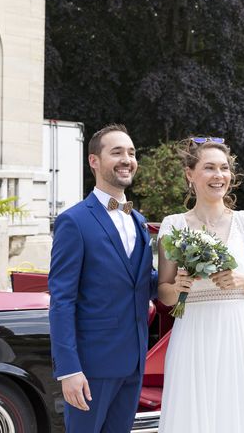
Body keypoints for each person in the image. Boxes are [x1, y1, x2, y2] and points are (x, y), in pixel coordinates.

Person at [157, 137, 244, 433]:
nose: (219, 175)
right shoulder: (173, 225)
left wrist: (241, 280)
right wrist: (178, 287)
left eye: (224, 168)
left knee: (239, 412)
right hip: (192, 331)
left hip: (236, 331)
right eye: (209, 168)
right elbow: (163, 294)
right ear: (190, 174)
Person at [48, 124, 158, 433]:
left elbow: (141, 284)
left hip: (134, 362)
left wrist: (179, 278)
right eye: (117, 152)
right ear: (94, 161)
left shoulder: (138, 220)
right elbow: (62, 300)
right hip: (91, 366)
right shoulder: (75, 221)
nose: (127, 159)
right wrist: (68, 369)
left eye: (132, 153)